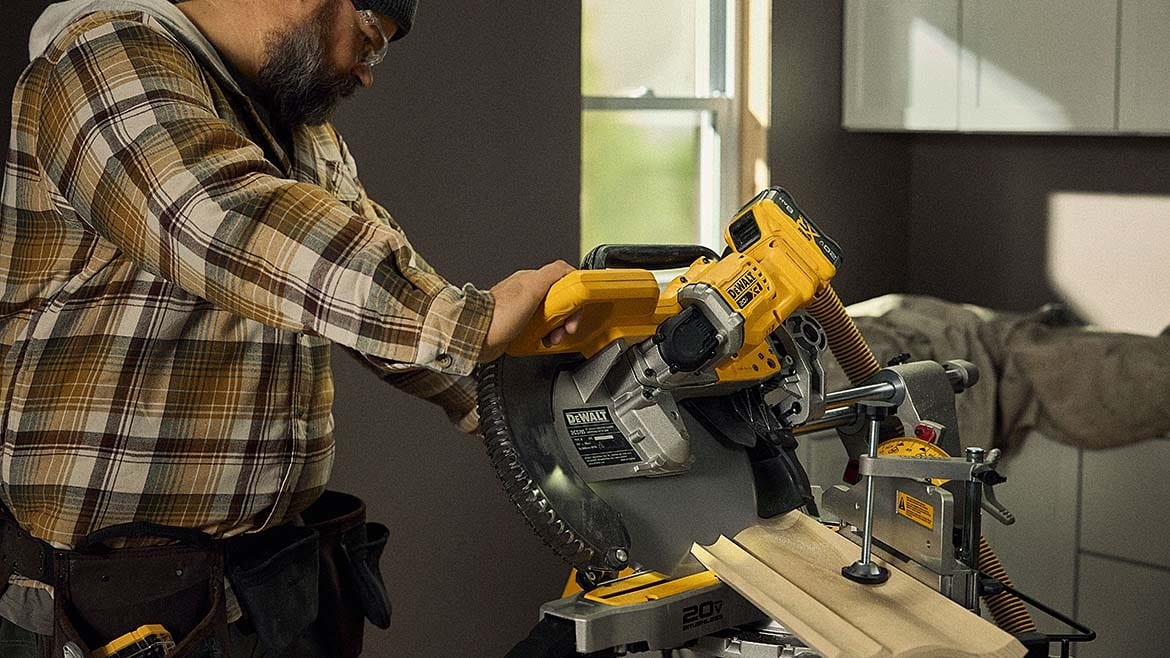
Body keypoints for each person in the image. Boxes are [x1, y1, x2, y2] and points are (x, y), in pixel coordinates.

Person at [0, 0, 577, 655]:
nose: (367, 75)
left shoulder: (298, 133)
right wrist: (473, 320)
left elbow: (368, 294)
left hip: (266, 582)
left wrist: (547, 410)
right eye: (370, 40)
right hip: (124, 602)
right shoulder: (100, 61)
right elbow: (219, 221)